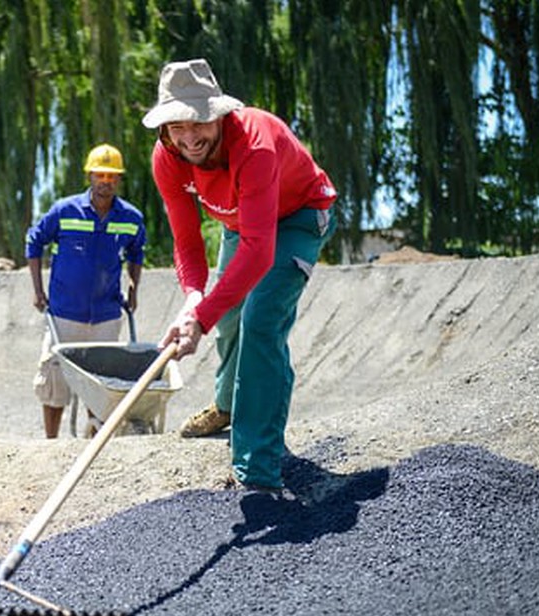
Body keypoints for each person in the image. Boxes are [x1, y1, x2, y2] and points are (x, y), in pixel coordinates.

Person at [143, 59, 337, 491]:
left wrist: (201, 319)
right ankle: (227, 407)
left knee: (259, 321)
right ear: (164, 128)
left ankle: (258, 466)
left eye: (199, 121)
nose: (189, 136)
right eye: (177, 126)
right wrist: (195, 297)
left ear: (218, 114)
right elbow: (187, 242)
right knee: (227, 316)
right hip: (241, 225)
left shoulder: (254, 144)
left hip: (300, 217)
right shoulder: (167, 158)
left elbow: (259, 251)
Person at [26, 143, 147, 439]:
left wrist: (133, 288)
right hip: (65, 312)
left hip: (105, 315)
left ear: (118, 179)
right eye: (100, 175)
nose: (106, 181)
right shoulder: (65, 210)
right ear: (90, 176)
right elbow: (34, 241)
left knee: (101, 383)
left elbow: (136, 255)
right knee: (54, 380)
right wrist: (37, 291)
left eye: (112, 176)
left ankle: (93, 444)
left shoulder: (131, 218)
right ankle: (51, 443)